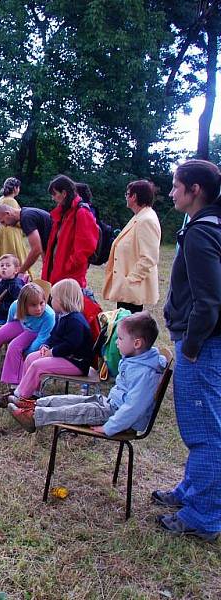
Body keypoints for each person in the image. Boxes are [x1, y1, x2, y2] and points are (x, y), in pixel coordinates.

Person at [158, 159, 221, 542]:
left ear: (194, 190)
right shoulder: (209, 225)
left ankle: (204, 515)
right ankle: (191, 491)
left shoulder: (202, 231)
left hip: (204, 345)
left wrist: (193, 345)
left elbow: (209, 300)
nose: (171, 192)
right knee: (202, 426)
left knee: (205, 430)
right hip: (206, 342)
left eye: (176, 186)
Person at [8, 312, 165, 437]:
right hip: (110, 404)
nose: (117, 342)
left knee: (76, 411)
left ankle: (35, 417)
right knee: (70, 400)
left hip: (116, 417)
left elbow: (133, 409)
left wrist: (109, 428)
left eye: (120, 339)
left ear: (137, 343)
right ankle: (34, 404)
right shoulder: (136, 359)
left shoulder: (146, 374)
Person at [0, 279, 93, 408]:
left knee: (38, 365)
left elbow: (70, 345)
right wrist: (46, 345)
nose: (51, 301)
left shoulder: (75, 321)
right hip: (65, 357)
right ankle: (31, 393)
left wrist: (51, 352)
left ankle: (20, 396)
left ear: (64, 301)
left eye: (53, 298)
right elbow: (53, 335)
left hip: (77, 362)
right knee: (31, 358)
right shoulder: (63, 316)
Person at [102, 180, 161, 313]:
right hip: (127, 289)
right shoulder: (139, 216)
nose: (126, 197)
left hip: (132, 289)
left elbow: (149, 258)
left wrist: (130, 281)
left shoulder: (146, 220)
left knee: (130, 328)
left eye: (127, 194)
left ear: (134, 197)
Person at [0, 282, 55, 380]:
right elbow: (10, 322)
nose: (39, 308)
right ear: (23, 305)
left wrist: (28, 353)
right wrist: (6, 336)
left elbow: (42, 338)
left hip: (35, 332)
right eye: (33, 305)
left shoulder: (49, 315)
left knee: (14, 347)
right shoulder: (15, 306)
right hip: (21, 324)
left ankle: (15, 382)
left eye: (41, 303)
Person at [42, 175, 99, 288]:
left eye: (54, 194)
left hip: (69, 276)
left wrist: (68, 266)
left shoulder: (81, 212)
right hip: (56, 272)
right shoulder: (63, 214)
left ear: (64, 193)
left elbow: (86, 247)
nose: (53, 198)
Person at [0, 204, 52, 277]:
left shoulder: (26, 218)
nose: (5, 226)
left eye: (3, 222)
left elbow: (36, 249)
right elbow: (42, 244)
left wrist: (21, 272)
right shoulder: (26, 213)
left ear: (7, 213)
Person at [0, 177, 29, 271]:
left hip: (0, 231)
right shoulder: (11, 201)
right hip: (10, 233)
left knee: (1, 254)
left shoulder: (1, 199)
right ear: (15, 188)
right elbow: (16, 219)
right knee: (13, 255)